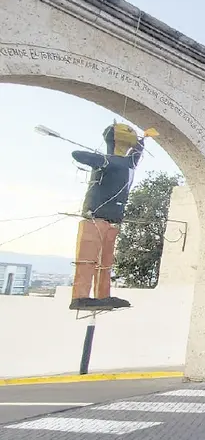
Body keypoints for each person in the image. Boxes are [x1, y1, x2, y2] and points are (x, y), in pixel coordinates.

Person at [69, 123, 151, 311]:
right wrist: (100, 160)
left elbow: (136, 155)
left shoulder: (127, 163)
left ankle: (103, 295)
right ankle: (80, 296)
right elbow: (77, 155)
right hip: (95, 216)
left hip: (112, 220)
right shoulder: (109, 161)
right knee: (88, 258)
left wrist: (143, 140)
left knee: (105, 262)